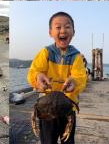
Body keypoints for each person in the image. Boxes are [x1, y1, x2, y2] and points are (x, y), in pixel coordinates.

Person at [27, 11, 87, 144]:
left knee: (68, 141)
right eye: (58, 27)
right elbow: (34, 71)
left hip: (67, 107)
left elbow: (81, 77)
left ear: (73, 31)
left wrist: (74, 81)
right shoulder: (45, 53)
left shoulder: (76, 56)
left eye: (67, 26)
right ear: (50, 32)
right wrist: (38, 77)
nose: (63, 30)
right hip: (46, 108)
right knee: (48, 141)